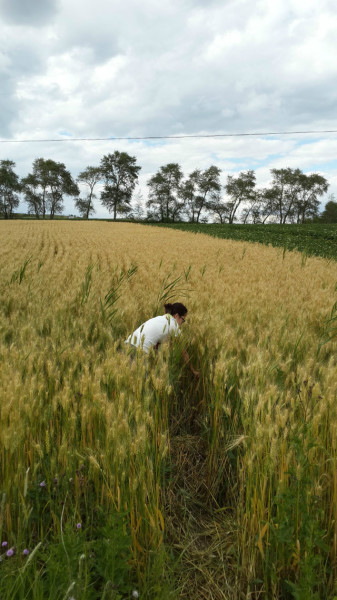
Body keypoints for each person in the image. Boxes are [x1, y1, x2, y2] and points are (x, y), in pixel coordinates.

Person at [125, 302, 199, 377]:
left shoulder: (159, 318)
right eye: (183, 320)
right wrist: (193, 370)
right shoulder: (174, 326)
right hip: (140, 352)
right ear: (176, 316)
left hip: (126, 346)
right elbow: (183, 352)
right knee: (142, 384)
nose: (182, 323)